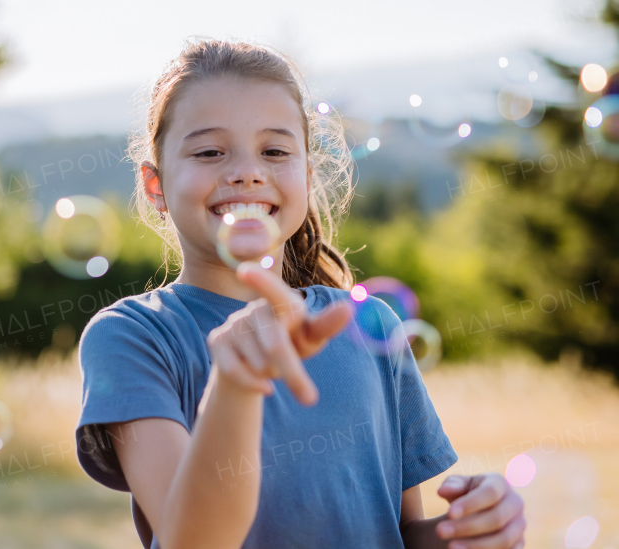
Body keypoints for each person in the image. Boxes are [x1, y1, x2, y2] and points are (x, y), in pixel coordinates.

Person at [74, 39, 526, 549]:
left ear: (307, 178)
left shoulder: (370, 325)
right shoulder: (133, 338)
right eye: (208, 151)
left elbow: (400, 535)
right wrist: (235, 386)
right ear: (155, 186)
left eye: (274, 151)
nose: (246, 170)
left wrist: (472, 530)